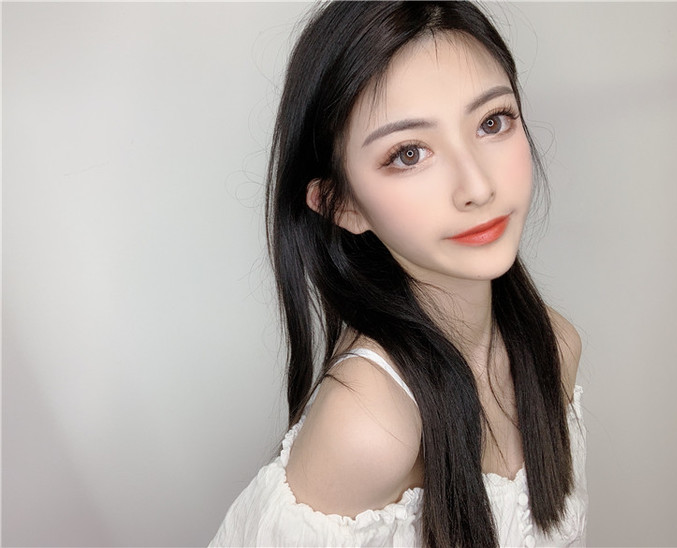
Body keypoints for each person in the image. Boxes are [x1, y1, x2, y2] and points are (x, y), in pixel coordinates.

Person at [210, 1, 587, 546]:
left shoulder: (554, 347)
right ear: (341, 204)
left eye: (492, 122)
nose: (477, 187)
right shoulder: (367, 426)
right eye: (409, 153)